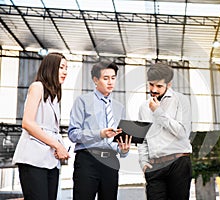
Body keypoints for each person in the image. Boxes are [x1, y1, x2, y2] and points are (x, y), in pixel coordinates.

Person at [68, 61, 132, 200]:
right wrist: (99, 134)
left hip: (111, 161)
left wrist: (124, 150)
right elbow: (73, 134)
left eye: (113, 78)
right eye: (106, 78)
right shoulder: (82, 101)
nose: (110, 82)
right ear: (95, 80)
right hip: (87, 160)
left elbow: (118, 139)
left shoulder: (119, 107)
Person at [12, 52, 70, 200]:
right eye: (61, 67)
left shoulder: (55, 96)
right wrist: (57, 145)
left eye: (66, 68)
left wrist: (60, 147)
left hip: (50, 161)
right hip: (33, 158)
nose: (65, 72)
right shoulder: (37, 87)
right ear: (50, 67)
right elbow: (27, 123)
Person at [138, 63, 193, 200]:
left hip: (178, 163)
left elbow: (182, 133)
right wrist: (144, 163)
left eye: (159, 86)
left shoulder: (181, 101)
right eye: (151, 85)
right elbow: (142, 139)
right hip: (154, 166)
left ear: (169, 84)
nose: (154, 89)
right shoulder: (143, 107)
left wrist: (158, 112)